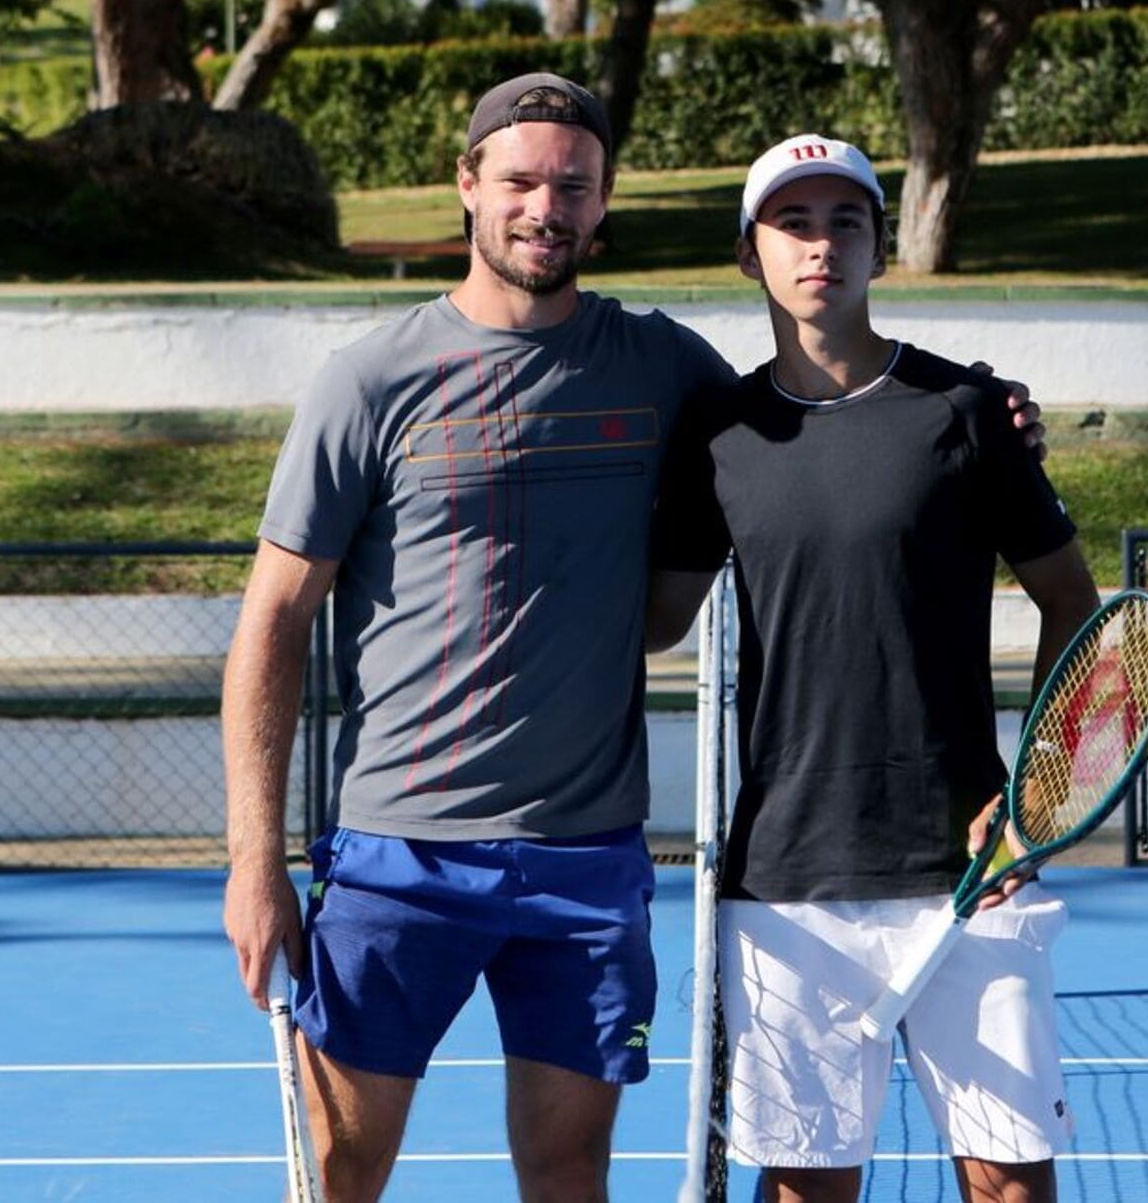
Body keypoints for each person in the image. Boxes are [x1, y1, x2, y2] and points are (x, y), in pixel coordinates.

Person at [222, 73, 1047, 1203]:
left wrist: (996, 418)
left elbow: (820, 416)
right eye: (519, 181)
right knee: (339, 1169)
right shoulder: (367, 382)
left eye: (573, 186)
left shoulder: (667, 374)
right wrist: (254, 859)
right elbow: (271, 619)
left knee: (571, 1173)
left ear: (603, 205)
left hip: (586, 859)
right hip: (396, 859)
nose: (544, 208)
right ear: (468, 186)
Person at [645, 134, 1103, 1203]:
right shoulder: (718, 434)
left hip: (971, 873)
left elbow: (1074, 607)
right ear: (750, 253)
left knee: (1009, 1185)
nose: (821, 245)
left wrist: (1035, 802)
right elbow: (656, 620)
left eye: (845, 221)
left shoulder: (969, 414)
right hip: (786, 877)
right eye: (793, 224)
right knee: (809, 1191)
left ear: (879, 246)